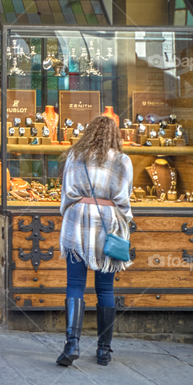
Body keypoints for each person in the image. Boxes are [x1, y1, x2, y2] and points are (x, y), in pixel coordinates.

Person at [56, 115, 133, 367]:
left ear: (89, 132)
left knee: (75, 283)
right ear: (115, 135)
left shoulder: (75, 156)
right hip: (109, 222)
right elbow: (124, 201)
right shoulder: (122, 161)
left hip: (77, 219)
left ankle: (72, 344)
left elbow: (67, 193)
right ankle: (104, 351)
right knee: (106, 289)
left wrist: (74, 210)